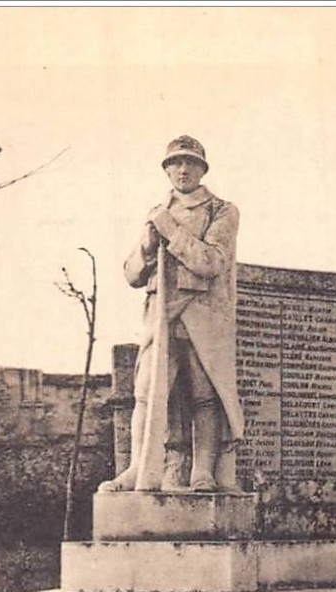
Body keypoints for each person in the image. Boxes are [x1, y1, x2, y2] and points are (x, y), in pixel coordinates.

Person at [101, 135, 244, 493]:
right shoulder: (157, 211)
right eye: (176, 163)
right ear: (166, 170)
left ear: (202, 169)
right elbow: (132, 274)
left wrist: (171, 231)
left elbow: (211, 263)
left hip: (201, 312)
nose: (183, 169)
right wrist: (148, 246)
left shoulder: (221, 210)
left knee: (203, 392)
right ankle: (138, 468)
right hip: (159, 312)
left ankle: (202, 472)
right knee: (147, 393)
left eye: (190, 162)